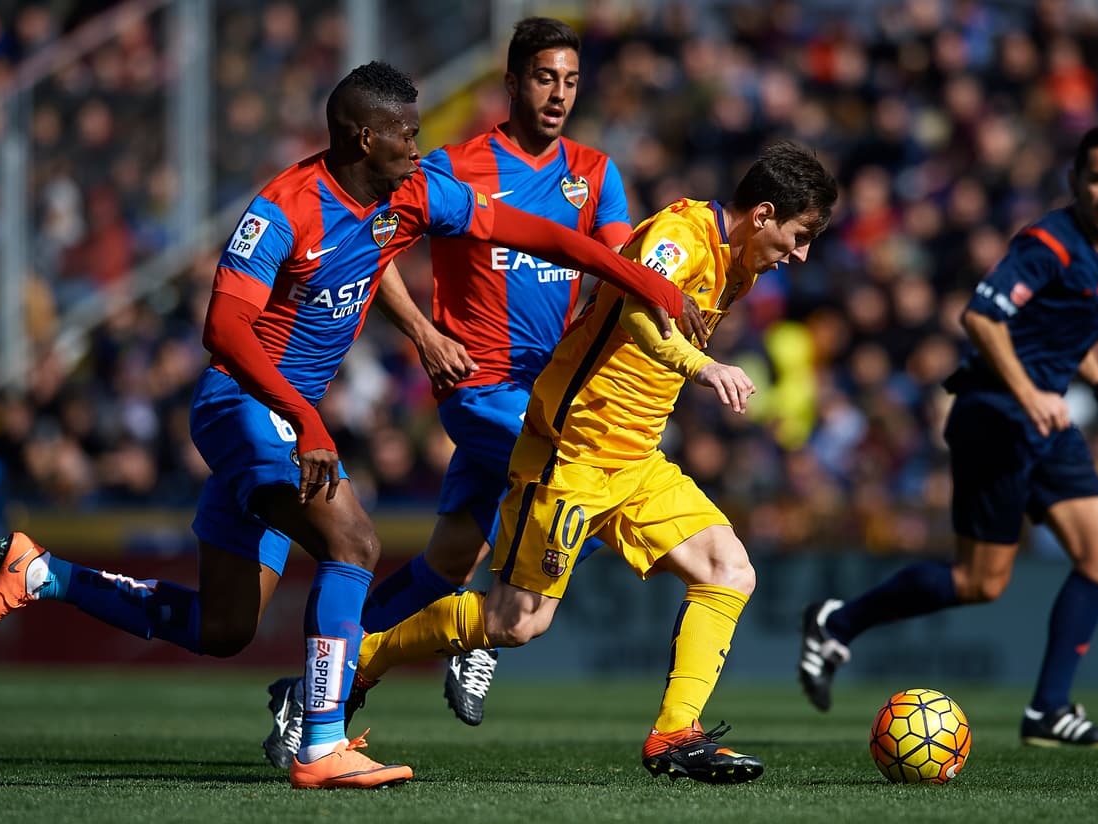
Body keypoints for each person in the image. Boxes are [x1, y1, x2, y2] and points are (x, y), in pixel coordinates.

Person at [0, 60, 705, 791]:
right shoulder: (283, 208)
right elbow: (224, 328)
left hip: (287, 421)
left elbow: (534, 233)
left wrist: (646, 283)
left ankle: (42, 572)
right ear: (361, 139)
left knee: (223, 629)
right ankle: (321, 740)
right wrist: (307, 418)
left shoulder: (408, 196)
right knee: (354, 541)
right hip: (242, 411)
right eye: (405, 134)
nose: (420, 147)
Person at [331, 140, 838, 784]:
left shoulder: (739, 263)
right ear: (763, 213)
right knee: (515, 624)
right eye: (798, 236)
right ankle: (357, 663)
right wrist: (703, 367)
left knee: (729, 570)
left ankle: (673, 736)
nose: (799, 255)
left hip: (636, 459)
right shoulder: (680, 236)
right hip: (572, 452)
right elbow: (632, 309)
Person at [259, 18, 631, 768]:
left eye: (570, 80)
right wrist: (426, 334)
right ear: (512, 81)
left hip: (548, 390)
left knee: (444, 565)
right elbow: (374, 246)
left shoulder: (597, 170)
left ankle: (317, 692)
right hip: (481, 386)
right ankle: (482, 632)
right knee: (587, 475)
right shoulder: (456, 165)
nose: (558, 94)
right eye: (543, 78)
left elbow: (613, 266)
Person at [798, 126, 1098, 749]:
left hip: (1048, 419)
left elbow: (1073, 333)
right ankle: (838, 622)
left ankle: (1048, 710)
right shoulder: (1047, 243)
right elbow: (982, 317)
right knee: (979, 583)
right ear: (1076, 181)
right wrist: (1031, 393)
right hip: (997, 416)